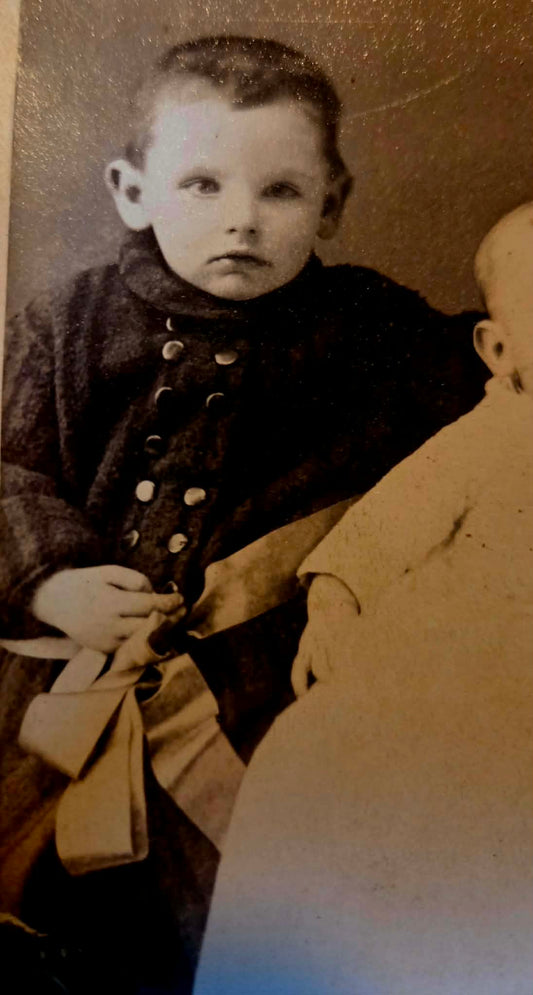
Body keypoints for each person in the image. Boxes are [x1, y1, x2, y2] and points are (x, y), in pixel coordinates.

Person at [0, 35, 485, 994]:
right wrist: (51, 581)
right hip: (64, 690)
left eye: (281, 191)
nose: (242, 220)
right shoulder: (67, 323)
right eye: (202, 184)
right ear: (131, 190)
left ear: (331, 203)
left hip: (262, 701)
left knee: (247, 925)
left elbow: (498, 380)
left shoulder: (374, 327)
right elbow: (5, 469)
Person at [194, 204, 533, 995]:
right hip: (449, 673)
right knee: (319, 768)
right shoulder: (495, 435)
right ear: (500, 348)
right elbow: (386, 523)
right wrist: (336, 603)